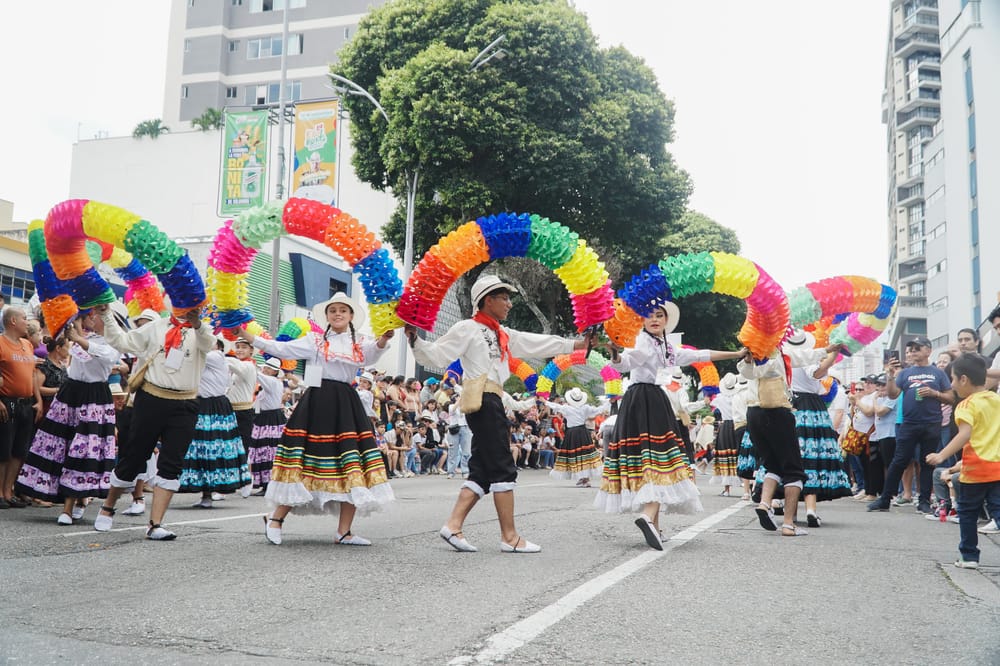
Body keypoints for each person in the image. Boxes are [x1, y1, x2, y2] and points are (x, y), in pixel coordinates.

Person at [406, 273, 591, 554]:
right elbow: (437, 354)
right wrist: (415, 340)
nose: (509, 304)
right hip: (482, 401)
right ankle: (510, 537)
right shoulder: (468, 328)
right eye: (504, 298)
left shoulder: (502, 333)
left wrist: (576, 344)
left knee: (482, 470)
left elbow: (537, 342)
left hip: (493, 401)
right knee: (504, 466)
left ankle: (453, 526)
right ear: (487, 300)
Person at [233, 292, 394, 546]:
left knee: (351, 463)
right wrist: (246, 336)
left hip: (346, 405)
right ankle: (275, 519)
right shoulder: (315, 340)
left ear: (351, 316)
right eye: (333, 310)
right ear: (327, 316)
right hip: (318, 403)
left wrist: (384, 339)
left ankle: (344, 531)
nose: (338, 314)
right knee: (305, 461)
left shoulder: (359, 343)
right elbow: (280, 347)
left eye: (343, 310)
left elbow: (372, 355)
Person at [601, 301, 748, 550]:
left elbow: (700, 355)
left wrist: (735, 354)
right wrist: (615, 354)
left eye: (660, 315)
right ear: (641, 321)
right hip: (645, 401)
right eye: (649, 316)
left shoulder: (666, 347)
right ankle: (648, 517)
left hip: (647, 402)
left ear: (666, 320)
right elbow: (626, 362)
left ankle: (654, 527)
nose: (655, 319)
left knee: (652, 460)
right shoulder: (642, 340)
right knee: (662, 460)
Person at [92, 303, 214, 539]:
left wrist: (197, 323)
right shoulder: (156, 327)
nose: (185, 307)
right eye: (180, 301)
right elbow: (122, 342)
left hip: (186, 402)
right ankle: (108, 506)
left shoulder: (202, 331)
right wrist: (106, 315)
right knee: (135, 455)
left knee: (173, 461)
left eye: (190, 302)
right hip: (152, 399)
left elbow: (208, 344)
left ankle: (155, 524)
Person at [15, 312, 119, 524]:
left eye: (96, 316)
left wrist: (77, 336)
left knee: (82, 448)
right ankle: (69, 503)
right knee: (59, 444)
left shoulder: (112, 343)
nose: (92, 318)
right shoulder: (82, 337)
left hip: (94, 397)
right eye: (90, 315)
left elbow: (104, 355)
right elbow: (63, 334)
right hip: (71, 392)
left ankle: (74, 504)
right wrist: (72, 319)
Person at [926, 353, 1000, 569]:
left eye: (953, 379)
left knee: (967, 512)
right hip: (997, 467)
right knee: (998, 509)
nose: (952, 385)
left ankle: (969, 557)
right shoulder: (996, 399)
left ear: (964, 379)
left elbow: (964, 434)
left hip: (976, 468)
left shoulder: (967, 405)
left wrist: (941, 455)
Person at [869, 337, 953, 514]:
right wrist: (890, 376)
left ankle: (923, 501)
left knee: (926, 463)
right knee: (899, 460)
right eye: (911, 349)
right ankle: (885, 499)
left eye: (917, 348)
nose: (913, 351)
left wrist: (934, 393)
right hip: (909, 423)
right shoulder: (904, 373)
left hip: (932, 423)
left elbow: (951, 397)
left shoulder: (938, 373)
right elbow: (892, 395)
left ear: (929, 351)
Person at [179, 339, 252, 508]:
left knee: (214, 448)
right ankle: (205, 492)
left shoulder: (217, 356)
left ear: (218, 347)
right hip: (199, 404)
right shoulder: (200, 359)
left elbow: (192, 353)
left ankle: (210, 493)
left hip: (215, 407)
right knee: (198, 449)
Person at [0, 307, 44, 510]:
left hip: (27, 404)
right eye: (24, 319)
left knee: (20, 451)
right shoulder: (1, 343)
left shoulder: (27, 344)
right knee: (4, 451)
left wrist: (39, 400)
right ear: (13, 322)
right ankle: (0, 492)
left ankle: (9, 491)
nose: (27, 322)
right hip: (7, 402)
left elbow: (33, 375)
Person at [541, 387, 607, 487]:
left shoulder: (567, 408)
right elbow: (597, 410)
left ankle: (583, 478)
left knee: (576, 455)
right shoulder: (585, 408)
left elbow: (555, 406)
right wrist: (609, 403)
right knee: (585, 454)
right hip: (583, 432)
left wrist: (544, 401)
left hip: (572, 433)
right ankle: (585, 478)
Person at [248, 357, 286, 495]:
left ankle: (268, 483)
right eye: (265, 368)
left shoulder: (273, 382)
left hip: (271, 418)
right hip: (264, 417)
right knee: (262, 451)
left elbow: (257, 375)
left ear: (275, 372)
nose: (265, 370)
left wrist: (250, 364)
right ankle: (265, 483)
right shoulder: (268, 385)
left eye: (268, 368)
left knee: (268, 451)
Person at [710, 373, 741, 497]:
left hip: (725, 427)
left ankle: (726, 489)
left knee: (725, 455)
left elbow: (711, 403)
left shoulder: (720, 398)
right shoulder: (738, 396)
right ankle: (747, 488)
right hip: (737, 425)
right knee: (737, 454)